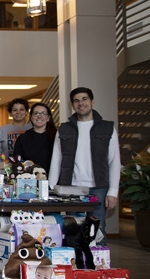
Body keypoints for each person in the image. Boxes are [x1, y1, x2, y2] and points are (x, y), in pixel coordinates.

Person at [48, 87, 120, 245]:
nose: (81, 103)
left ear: (92, 102)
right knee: (73, 230)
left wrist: (113, 192)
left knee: (98, 230)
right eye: (76, 100)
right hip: (71, 189)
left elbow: (115, 161)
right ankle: (76, 266)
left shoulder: (108, 128)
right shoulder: (64, 129)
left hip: (99, 189)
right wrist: (52, 188)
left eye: (84, 99)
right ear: (72, 105)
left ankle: (100, 267)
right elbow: (56, 160)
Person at [12, 102, 57, 170]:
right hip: (29, 178)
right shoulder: (23, 139)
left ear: (48, 118)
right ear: (31, 117)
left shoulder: (57, 137)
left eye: (43, 113)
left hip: (53, 178)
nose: (39, 116)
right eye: (36, 113)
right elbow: (17, 163)